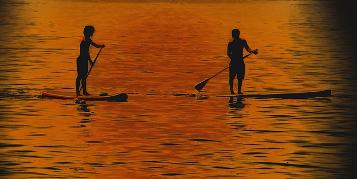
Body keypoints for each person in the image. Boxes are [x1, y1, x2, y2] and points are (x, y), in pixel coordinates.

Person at [76, 25, 105, 96]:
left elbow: (95, 46)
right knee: (80, 76)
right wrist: (90, 61)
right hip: (81, 60)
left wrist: (101, 46)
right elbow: (85, 53)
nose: (92, 34)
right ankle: (77, 92)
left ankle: (84, 92)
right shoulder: (85, 41)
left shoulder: (88, 40)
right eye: (91, 32)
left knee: (84, 76)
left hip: (84, 60)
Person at [227, 28, 257, 95]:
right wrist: (233, 59)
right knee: (231, 77)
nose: (234, 35)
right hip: (233, 62)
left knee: (240, 77)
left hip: (240, 62)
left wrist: (253, 51)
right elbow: (228, 53)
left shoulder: (243, 41)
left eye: (235, 34)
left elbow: (248, 49)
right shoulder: (230, 43)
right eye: (234, 34)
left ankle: (239, 91)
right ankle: (231, 91)